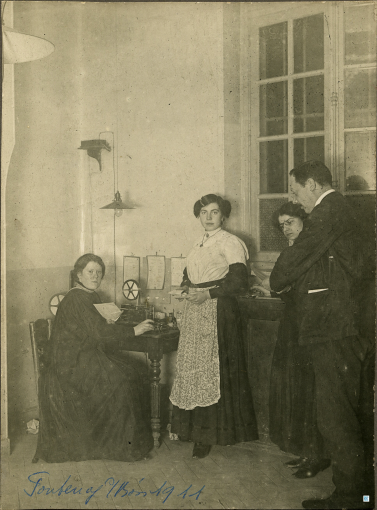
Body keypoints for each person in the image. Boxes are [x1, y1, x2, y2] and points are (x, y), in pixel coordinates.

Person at [269, 161, 374, 509]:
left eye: (296, 191)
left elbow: (295, 259)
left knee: (335, 415)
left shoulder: (329, 210)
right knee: (349, 412)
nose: (294, 198)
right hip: (351, 327)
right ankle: (360, 494)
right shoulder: (344, 210)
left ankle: (351, 499)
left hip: (336, 329)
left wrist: (276, 280)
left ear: (312, 184)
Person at [33, 253, 155, 463]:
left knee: (129, 372)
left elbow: (94, 329)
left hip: (82, 357)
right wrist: (134, 331)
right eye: (90, 272)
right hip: (70, 366)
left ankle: (127, 444)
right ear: (79, 274)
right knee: (122, 380)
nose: (95, 276)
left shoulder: (89, 296)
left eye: (99, 272)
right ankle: (121, 447)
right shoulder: (77, 298)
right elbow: (98, 333)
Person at [169, 194, 259, 459]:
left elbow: (239, 282)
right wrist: (186, 289)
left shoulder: (231, 243)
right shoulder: (197, 243)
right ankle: (192, 432)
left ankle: (209, 436)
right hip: (195, 310)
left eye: (214, 212)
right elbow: (189, 275)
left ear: (224, 216)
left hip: (219, 310)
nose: (208, 217)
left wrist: (207, 295)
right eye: (204, 212)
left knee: (212, 369)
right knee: (193, 367)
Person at [267, 202, 331, 478]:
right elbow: (285, 288)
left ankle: (317, 456)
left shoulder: (314, 251)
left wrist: (284, 287)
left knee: (312, 390)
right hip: (292, 326)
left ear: (304, 222)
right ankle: (306, 452)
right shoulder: (292, 252)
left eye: (291, 222)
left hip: (312, 327)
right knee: (296, 388)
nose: (287, 229)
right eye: (282, 225)